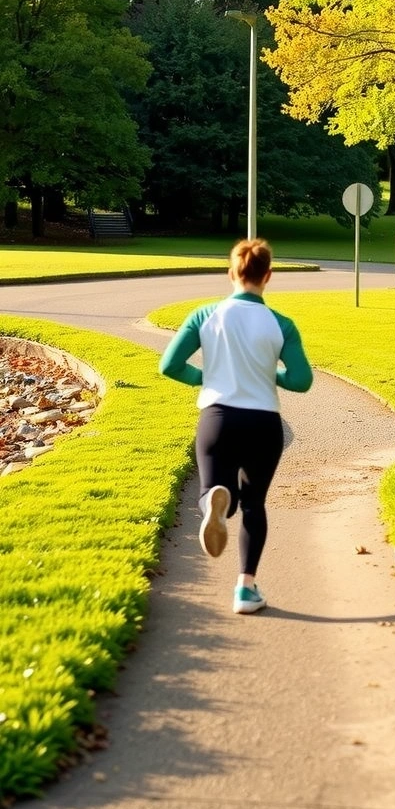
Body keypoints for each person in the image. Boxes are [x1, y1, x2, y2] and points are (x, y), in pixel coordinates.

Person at [159, 238, 313, 614]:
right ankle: (246, 589)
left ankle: (215, 500)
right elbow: (301, 380)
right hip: (263, 424)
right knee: (255, 504)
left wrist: (205, 377)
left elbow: (169, 366)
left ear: (231, 273)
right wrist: (269, 372)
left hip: (218, 418)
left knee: (214, 487)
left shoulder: (205, 315)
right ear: (268, 276)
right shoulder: (281, 324)